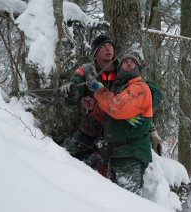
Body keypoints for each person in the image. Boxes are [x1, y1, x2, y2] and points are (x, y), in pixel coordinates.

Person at [92, 54, 153, 196]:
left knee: (129, 203)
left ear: (138, 69)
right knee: (118, 202)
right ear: (119, 70)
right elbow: (111, 115)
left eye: (133, 62)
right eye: (125, 62)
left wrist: (101, 92)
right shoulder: (122, 90)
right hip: (118, 155)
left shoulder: (139, 87)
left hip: (130, 155)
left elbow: (116, 107)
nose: (129, 63)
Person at [60, 34, 118, 175]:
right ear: (95, 52)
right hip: (88, 132)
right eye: (103, 46)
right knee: (60, 157)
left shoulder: (123, 69)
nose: (108, 48)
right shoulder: (85, 70)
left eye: (110, 45)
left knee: (101, 173)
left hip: (113, 135)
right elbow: (74, 96)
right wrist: (70, 91)